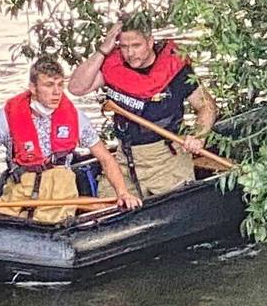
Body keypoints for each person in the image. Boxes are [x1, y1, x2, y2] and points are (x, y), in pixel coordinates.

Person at [0, 57, 138, 220]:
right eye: (49, 85)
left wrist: (122, 192)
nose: (57, 92)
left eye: (60, 85)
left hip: (60, 194)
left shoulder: (75, 117)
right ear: (33, 88)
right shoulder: (9, 115)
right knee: (0, 218)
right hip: (21, 190)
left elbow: (105, 157)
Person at [68, 15, 218, 199]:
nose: (130, 53)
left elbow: (206, 105)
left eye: (136, 45)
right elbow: (76, 88)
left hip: (166, 159)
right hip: (125, 159)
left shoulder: (174, 69)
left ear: (150, 42)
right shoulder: (115, 67)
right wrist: (103, 50)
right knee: (105, 204)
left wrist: (198, 136)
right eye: (124, 46)